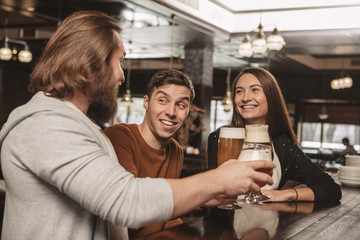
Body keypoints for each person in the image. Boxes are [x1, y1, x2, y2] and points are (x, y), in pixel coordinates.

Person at [0, 11, 275, 239]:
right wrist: (217, 180)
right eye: (120, 61)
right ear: (93, 65)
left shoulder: (78, 125)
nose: (121, 76)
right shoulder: (46, 125)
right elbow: (126, 201)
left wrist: (208, 191)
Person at [208, 67, 341, 202]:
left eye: (255, 89)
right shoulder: (221, 138)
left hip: (268, 220)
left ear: (271, 96)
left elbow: (331, 189)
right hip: (225, 220)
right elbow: (210, 190)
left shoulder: (282, 144)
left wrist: (286, 194)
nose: (245, 98)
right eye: (239, 91)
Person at [104, 69, 194, 238]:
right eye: (162, 100)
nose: (171, 112)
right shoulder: (120, 137)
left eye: (181, 105)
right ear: (146, 102)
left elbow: (167, 213)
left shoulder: (176, 150)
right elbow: (130, 208)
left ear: (188, 110)